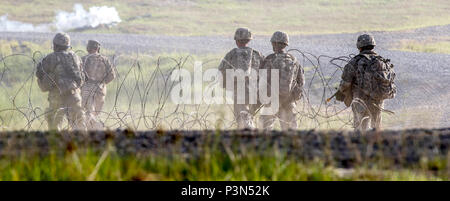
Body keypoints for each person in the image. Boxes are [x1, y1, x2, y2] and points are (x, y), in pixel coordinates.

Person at [337, 34, 396, 132]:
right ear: (373, 46)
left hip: (360, 101)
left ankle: (362, 146)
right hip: (377, 101)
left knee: (360, 130)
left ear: (359, 47)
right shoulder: (382, 62)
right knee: (376, 129)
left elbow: (345, 84)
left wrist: (340, 92)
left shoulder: (355, 61)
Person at [35, 33, 87, 131]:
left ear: (55, 45)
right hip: (74, 95)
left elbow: (39, 73)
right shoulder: (75, 57)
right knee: (79, 125)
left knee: (54, 126)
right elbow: (82, 76)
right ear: (68, 45)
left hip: (57, 95)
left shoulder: (50, 58)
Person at [218, 27, 264, 129]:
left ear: (236, 40)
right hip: (256, 92)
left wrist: (225, 84)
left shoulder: (232, 54)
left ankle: (249, 136)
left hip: (239, 92)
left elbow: (222, 69)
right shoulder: (257, 54)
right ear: (249, 40)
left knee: (242, 118)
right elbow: (266, 72)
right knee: (248, 116)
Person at [258, 31, 304, 130]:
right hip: (289, 100)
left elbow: (262, 80)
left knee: (265, 129)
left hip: (271, 100)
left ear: (274, 43)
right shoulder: (294, 60)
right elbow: (301, 82)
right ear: (285, 44)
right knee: (291, 131)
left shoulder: (269, 59)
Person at [81, 40, 116, 130]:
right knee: (95, 113)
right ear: (98, 48)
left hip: (86, 89)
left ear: (88, 48)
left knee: (88, 113)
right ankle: (96, 129)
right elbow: (112, 75)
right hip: (100, 90)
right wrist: (102, 83)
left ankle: (92, 129)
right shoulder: (104, 60)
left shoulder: (83, 59)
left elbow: (78, 75)